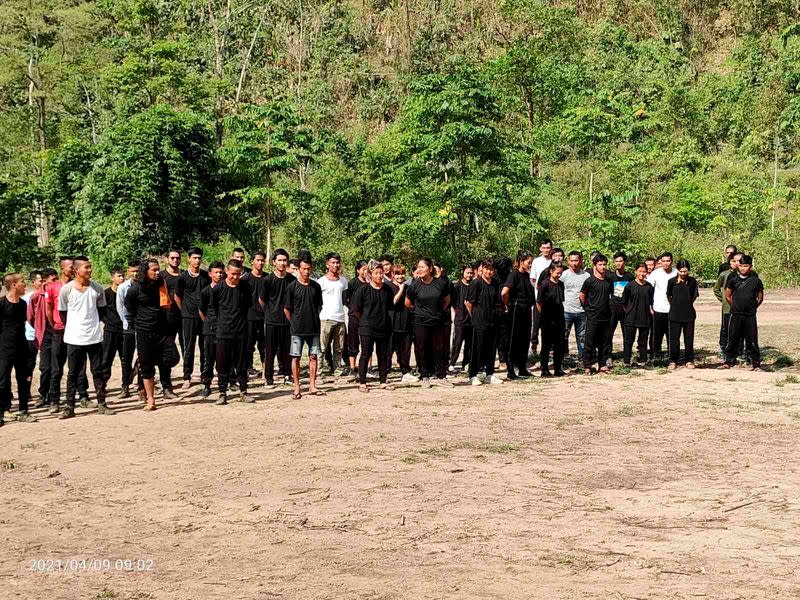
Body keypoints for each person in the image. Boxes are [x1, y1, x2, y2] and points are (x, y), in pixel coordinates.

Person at [57, 256, 114, 419]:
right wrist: (74, 327)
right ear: (76, 270)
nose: (90, 270)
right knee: (73, 373)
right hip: (74, 338)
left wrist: (93, 325)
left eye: (90, 267)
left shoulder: (97, 289)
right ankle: (69, 407)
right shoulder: (67, 290)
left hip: (94, 337)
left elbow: (102, 310)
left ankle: (102, 403)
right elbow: (63, 313)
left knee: (98, 371)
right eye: (86, 267)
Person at [125, 259, 180, 411]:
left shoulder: (161, 283)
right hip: (144, 331)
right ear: (145, 272)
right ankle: (150, 400)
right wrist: (138, 323)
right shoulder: (135, 289)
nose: (157, 272)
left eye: (158, 269)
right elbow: (129, 307)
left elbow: (167, 304)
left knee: (173, 357)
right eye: (154, 270)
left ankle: (145, 362)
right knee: (147, 367)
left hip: (162, 330)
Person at [46, 257, 88, 412]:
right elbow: (49, 309)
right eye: (69, 267)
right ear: (62, 268)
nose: (72, 269)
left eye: (73, 266)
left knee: (79, 366)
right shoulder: (53, 287)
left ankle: (83, 396)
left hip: (77, 331)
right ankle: (54, 400)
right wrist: (55, 325)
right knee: (56, 368)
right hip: (59, 330)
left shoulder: (79, 286)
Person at [209, 259, 253, 404]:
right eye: (232, 274)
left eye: (238, 274)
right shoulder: (218, 289)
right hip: (223, 332)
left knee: (242, 363)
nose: (235, 277)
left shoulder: (246, 287)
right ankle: (222, 392)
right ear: (227, 271)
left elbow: (247, 307)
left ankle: (243, 391)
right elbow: (214, 308)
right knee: (222, 364)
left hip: (241, 332)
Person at [405, 258, 452, 387]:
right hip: (420, 322)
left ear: (430, 269)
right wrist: (419, 312)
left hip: (437, 321)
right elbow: (408, 303)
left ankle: (441, 376)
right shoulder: (414, 285)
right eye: (418, 267)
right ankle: (424, 376)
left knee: (439, 349)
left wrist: (438, 311)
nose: (419, 269)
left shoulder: (440, 283)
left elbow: (447, 300)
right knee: (422, 349)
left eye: (422, 267)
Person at [284, 252, 325, 399]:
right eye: (303, 268)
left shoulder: (316, 286)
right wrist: (294, 322)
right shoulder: (292, 287)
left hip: (313, 328)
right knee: (296, 358)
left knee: (313, 356)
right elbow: (287, 309)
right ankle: (297, 386)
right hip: (297, 329)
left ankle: (312, 385)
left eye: (309, 268)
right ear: (298, 268)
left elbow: (319, 306)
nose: (306, 271)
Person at [350, 260, 395, 392]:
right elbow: (355, 309)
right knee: (365, 354)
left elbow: (389, 307)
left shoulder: (387, 289)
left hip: (384, 326)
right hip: (367, 327)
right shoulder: (363, 290)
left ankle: (382, 381)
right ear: (370, 274)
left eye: (381, 273)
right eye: (376, 273)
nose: (379, 276)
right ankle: (362, 382)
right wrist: (365, 320)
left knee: (383, 355)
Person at [0, 273, 36, 425]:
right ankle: (1, 412)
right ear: (13, 285)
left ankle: (23, 410)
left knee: (24, 379)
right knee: (2, 381)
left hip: (22, 346)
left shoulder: (23, 303)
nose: (25, 284)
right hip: (4, 348)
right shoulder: (1, 304)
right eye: (22, 282)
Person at [175, 248, 211, 390]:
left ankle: (204, 375)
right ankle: (187, 376)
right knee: (188, 348)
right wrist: (183, 310)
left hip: (203, 317)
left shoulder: (205, 276)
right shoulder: (183, 277)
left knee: (204, 347)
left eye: (199, 258)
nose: (197, 261)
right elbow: (177, 296)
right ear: (189, 259)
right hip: (188, 317)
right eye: (194, 258)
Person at [466, 259, 503, 386]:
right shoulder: (476, 283)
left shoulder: (495, 283)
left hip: (492, 320)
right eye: (487, 269)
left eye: (491, 269)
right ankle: (473, 375)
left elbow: (498, 301)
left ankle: (490, 374)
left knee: (491, 349)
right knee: (477, 348)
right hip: (479, 321)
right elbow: (469, 303)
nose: (489, 271)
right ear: (482, 269)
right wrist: (475, 317)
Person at [723, 255, 763, 370]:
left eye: (746, 266)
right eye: (741, 266)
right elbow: (728, 296)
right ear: (738, 266)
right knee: (732, 338)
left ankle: (755, 363)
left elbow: (760, 298)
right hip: (735, 314)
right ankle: (729, 361)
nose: (743, 268)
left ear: (750, 266)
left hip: (750, 315)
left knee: (752, 340)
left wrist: (752, 307)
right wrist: (735, 306)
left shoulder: (756, 280)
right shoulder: (733, 279)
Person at [262, 249, 295, 389]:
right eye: (279, 260)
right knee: (270, 351)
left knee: (287, 350)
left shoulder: (292, 280)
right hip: (271, 321)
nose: (282, 263)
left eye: (284, 260)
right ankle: (269, 377)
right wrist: (270, 312)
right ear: (273, 262)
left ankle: (288, 374)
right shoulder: (267, 280)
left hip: (287, 321)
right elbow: (262, 300)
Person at [502, 251, 535, 379]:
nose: (530, 265)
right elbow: (504, 292)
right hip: (515, 308)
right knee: (513, 339)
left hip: (526, 308)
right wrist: (508, 304)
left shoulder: (527, 276)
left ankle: (522, 368)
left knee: (525, 338)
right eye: (528, 262)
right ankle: (511, 370)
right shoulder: (513, 274)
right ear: (521, 262)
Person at [579, 253, 613, 374]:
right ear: (595, 265)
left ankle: (602, 364)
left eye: (604, 264)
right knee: (590, 342)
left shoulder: (609, 282)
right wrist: (587, 309)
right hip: (592, 316)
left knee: (604, 342)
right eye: (600, 264)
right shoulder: (589, 281)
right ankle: (587, 365)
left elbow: (610, 297)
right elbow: (582, 295)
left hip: (605, 316)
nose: (603, 267)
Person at [29, 268, 57, 408]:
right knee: (45, 367)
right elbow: (30, 317)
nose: (55, 282)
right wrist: (40, 328)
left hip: (57, 333)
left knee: (56, 367)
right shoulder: (36, 297)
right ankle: (43, 394)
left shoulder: (59, 293)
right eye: (52, 280)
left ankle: (54, 396)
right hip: (44, 334)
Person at [317, 252, 348, 377]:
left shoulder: (343, 281)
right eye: (333, 262)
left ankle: (338, 369)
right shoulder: (321, 282)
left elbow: (345, 299)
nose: (335, 265)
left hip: (340, 318)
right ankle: (318, 371)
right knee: (322, 348)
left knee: (339, 347)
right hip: (325, 318)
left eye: (337, 262)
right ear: (327, 264)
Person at [116, 260, 143, 399]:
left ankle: (141, 387)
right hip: (128, 327)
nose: (135, 273)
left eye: (137, 271)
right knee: (126, 358)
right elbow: (120, 308)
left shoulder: (146, 286)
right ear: (128, 271)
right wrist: (126, 323)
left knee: (143, 358)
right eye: (132, 271)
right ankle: (125, 386)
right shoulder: (123, 287)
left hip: (143, 326)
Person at [666, 259, 699, 369]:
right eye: (681, 271)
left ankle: (689, 360)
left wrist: (687, 304)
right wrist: (676, 305)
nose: (683, 273)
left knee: (689, 339)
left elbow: (694, 296)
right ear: (677, 270)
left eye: (685, 271)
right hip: (674, 314)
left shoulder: (692, 281)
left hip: (689, 314)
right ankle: (673, 360)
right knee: (674, 339)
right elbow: (669, 296)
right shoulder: (671, 281)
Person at [198, 261, 225, 399]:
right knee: (208, 359)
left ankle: (224, 384)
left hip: (224, 329)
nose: (219, 275)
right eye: (216, 272)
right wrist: (208, 323)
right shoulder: (205, 291)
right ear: (210, 274)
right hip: (209, 329)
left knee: (224, 359)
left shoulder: (227, 289)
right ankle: (207, 384)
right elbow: (201, 311)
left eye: (221, 272)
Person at [387, 264, 417, 383]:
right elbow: (392, 302)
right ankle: (385, 373)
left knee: (405, 351)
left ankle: (405, 372)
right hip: (391, 324)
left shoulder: (409, 287)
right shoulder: (388, 286)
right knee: (388, 351)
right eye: (397, 274)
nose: (400, 276)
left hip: (405, 323)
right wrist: (400, 289)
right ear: (393, 275)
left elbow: (411, 303)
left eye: (402, 274)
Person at [714, 252, 746, 360]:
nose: (736, 263)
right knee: (726, 328)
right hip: (728, 307)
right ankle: (724, 349)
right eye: (733, 261)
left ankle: (740, 351)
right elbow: (716, 289)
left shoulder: (748, 275)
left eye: (738, 261)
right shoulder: (724, 274)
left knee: (741, 330)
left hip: (742, 308)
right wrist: (723, 299)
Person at [537, 262, 566, 377]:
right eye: (557, 273)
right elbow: (539, 302)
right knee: (546, 345)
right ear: (551, 271)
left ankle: (558, 368)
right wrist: (543, 316)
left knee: (559, 344)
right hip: (547, 319)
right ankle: (544, 369)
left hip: (559, 317)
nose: (559, 275)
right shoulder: (544, 284)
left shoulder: (561, 284)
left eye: (560, 273)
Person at [621, 263, 653, 367]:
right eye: (640, 271)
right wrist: (629, 311)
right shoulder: (630, 285)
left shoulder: (649, 286)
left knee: (643, 341)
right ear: (636, 272)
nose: (642, 274)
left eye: (644, 272)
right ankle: (626, 361)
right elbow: (624, 302)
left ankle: (642, 360)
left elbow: (651, 302)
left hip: (644, 317)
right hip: (631, 318)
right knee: (628, 341)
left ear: (647, 273)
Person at [241, 251, 267, 378]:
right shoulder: (244, 280)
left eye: (262, 260)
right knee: (248, 345)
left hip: (265, 318)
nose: (260, 262)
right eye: (258, 260)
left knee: (265, 346)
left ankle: (265, 371)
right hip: (249, 317)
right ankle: (245, 370)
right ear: (252, 262)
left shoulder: (268, 278)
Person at [101, 267, 127, 392]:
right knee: (106, 359)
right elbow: (100, 312)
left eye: (123, 276)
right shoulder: (105, 294)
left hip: (125, 330)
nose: (121, 278)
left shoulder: (127, 292)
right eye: (119, 276)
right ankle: (102, 385)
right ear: (112, 278)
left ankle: (125, 385)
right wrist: (109, 322)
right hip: (110, 331)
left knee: (125, 359)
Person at [646, 252, 677, 358]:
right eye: (663, 261)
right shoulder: (656, 273)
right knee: (656, 334)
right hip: (658, 308)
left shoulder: (676, 273)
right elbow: (648, 290)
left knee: (671, 334)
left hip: (672, 309)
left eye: (668, 261)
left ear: (672, 261)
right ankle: (655, 355)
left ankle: (672, 355)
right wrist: (650, 306)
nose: (665, 263)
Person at [605, 251, 634, 366]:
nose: (618, 263)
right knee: (609, 333)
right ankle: (608, 357)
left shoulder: (630, 277)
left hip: (626, 309)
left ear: (625, 262)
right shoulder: (610, 277)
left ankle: (627, 358)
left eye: (621, 261)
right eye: (616, 261)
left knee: (627, 334)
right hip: (613, 308)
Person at [561, 251, 589, 367]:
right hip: (567, 310)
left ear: (581, 261)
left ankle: (582, 360)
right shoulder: (564, 275)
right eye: (572, 261)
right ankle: (562, 359)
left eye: (576, 260)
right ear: (568, 261)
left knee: (582, 337)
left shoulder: (586, 276)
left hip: (582, 312)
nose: (574, 263)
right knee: (563, 336)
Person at [344, 260, 368, 378]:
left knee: (367, 343)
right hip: (354, 317)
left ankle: (368, 367)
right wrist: (353, 309)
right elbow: (345, 298)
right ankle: (352, 368)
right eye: (363, 269)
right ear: (358, 270)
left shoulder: (370, 283)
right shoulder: (352, 283)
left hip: (367, 318)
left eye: (367, 269)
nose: (365, 272)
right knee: (353, 341)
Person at [529, 239, 553, 355]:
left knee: (549, 324)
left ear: (551, 248)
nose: (546, 250)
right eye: (544, 248)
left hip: (552, 298)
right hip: (538, 297)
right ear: (540, 249)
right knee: (536, 322)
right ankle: (534, 345)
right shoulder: (536, 261)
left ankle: (548, 348)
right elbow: (532, 279)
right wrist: (538, 289)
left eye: (548, 248)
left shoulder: (554, 261)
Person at [449, 264, 474, 372]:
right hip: (460, 319)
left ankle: (466, 363)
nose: (469, 275)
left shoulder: (474, 285)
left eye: (471, 273)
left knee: (469, 343)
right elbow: (452, 302)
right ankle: (452, 363)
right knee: (457, 342)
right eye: (467, 272)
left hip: (471, 319)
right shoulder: (457, 286)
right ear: (463, 273)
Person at [160, 250, 184, 363]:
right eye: (172, 258)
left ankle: (187, 374)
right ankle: (166, 374)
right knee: (168, 345)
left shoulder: (185, 275)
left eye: (177, 258)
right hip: (167, 317)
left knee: (186, 346)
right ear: (167, 259)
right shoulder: (161, 276)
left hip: (184, 315)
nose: (175, 260)